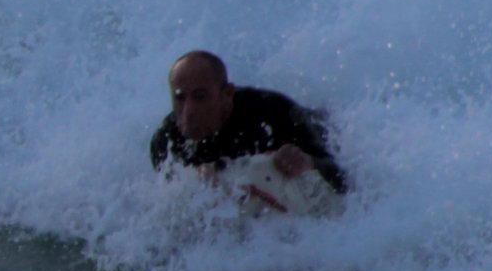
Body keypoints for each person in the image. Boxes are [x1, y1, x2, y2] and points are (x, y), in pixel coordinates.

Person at [148, 49, 348, 195]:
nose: (188, 111)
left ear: (227, 94)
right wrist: (191, 179)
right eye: (180, 98)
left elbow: (342, 180)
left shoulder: (274, 113)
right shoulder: (165, 142)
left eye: (200, 97)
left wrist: (308, 161)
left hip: (327, 132)